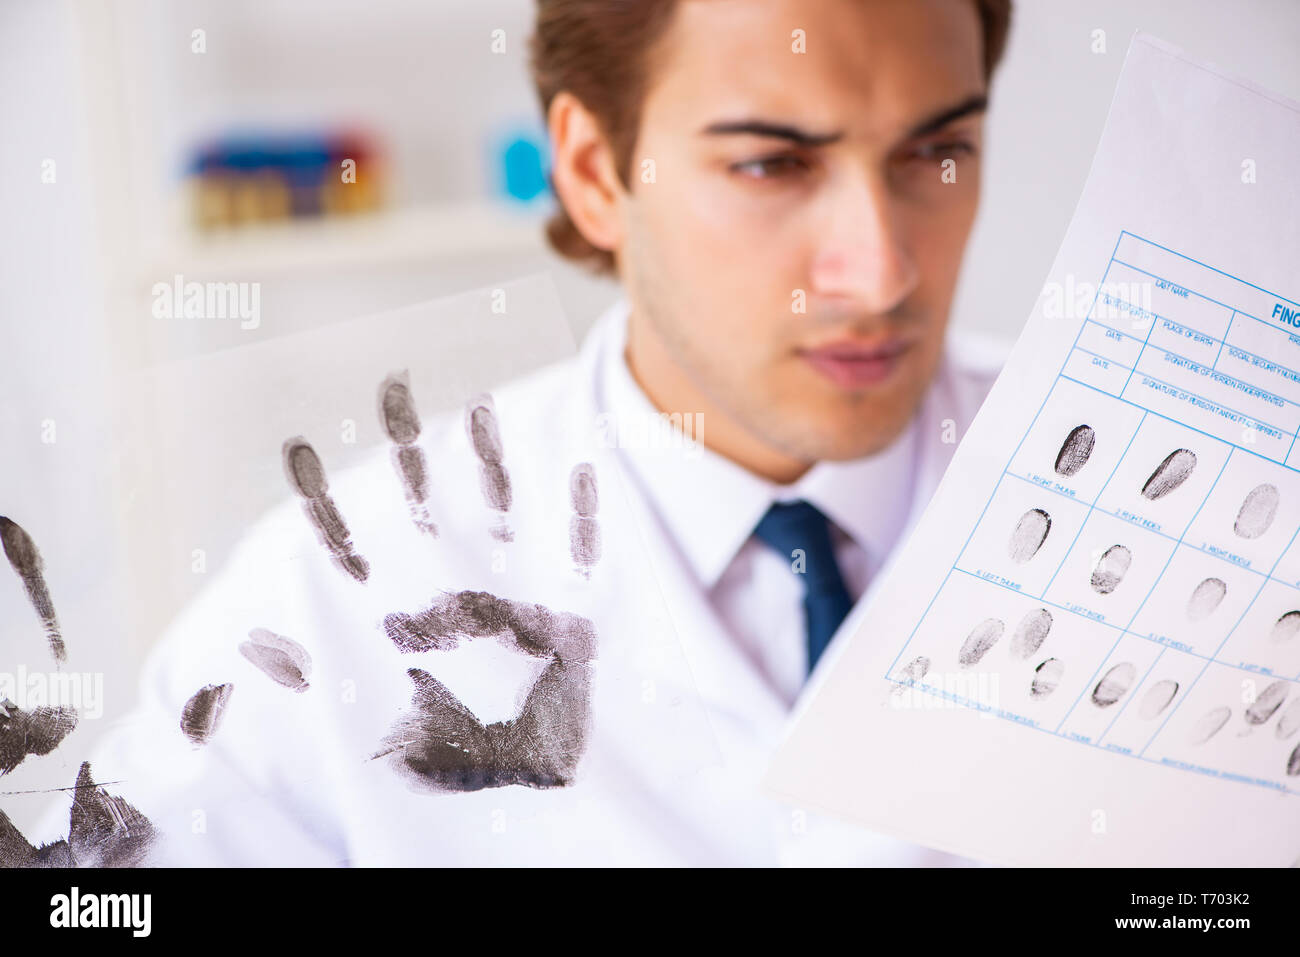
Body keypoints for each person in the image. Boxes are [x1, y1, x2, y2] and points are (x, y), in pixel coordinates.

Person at [35, 0, 1015, 866]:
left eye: (936, 153)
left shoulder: (1147, 474)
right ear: (593, 172)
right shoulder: (327, 601)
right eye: (771, 163)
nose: (880, 273)